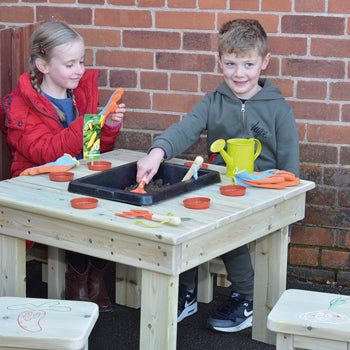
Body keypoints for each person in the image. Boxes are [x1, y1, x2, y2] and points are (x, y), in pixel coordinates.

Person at [136, 19, 299, 332]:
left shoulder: (279, 109)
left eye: (248, 64)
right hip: (218, 187)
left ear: (264, 62)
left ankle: (248, 297)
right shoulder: (213, 102)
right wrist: (157, 152)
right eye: (231, 64)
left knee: (228, 233)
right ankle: (186, 293)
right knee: (182, 218)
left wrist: (289, 216)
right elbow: (185, 128)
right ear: (220, 62)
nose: (239, 73)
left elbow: (291, 165)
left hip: (262, 191)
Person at [2, 21, 126, 312]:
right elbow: (43, 151)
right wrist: (85, 125)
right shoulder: (19, 104)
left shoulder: (78, 94)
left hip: (73, 178)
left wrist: (106, 128)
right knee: (78, 205)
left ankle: (95, 278)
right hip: (35, 182)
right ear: (43, 65)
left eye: (81, 62)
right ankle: (77, 284)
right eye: (70, 64)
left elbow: (94, 152)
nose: (79, 70)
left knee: (104, 194)